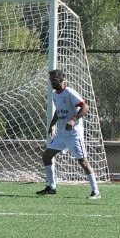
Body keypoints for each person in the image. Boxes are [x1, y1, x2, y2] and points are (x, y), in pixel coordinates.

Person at [36, 69, 99, 198]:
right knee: (46, 157)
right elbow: (59, 112)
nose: (52, 82)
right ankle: (52, 187)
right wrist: (52, 124)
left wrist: (73, 119)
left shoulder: (69, 92)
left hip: (74, 134)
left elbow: (85, 107)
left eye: (54, 79)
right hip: (61, 134)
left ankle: (96, 191)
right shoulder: (55, 95)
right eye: (51, 79)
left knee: (83, 162)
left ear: (61, 79)